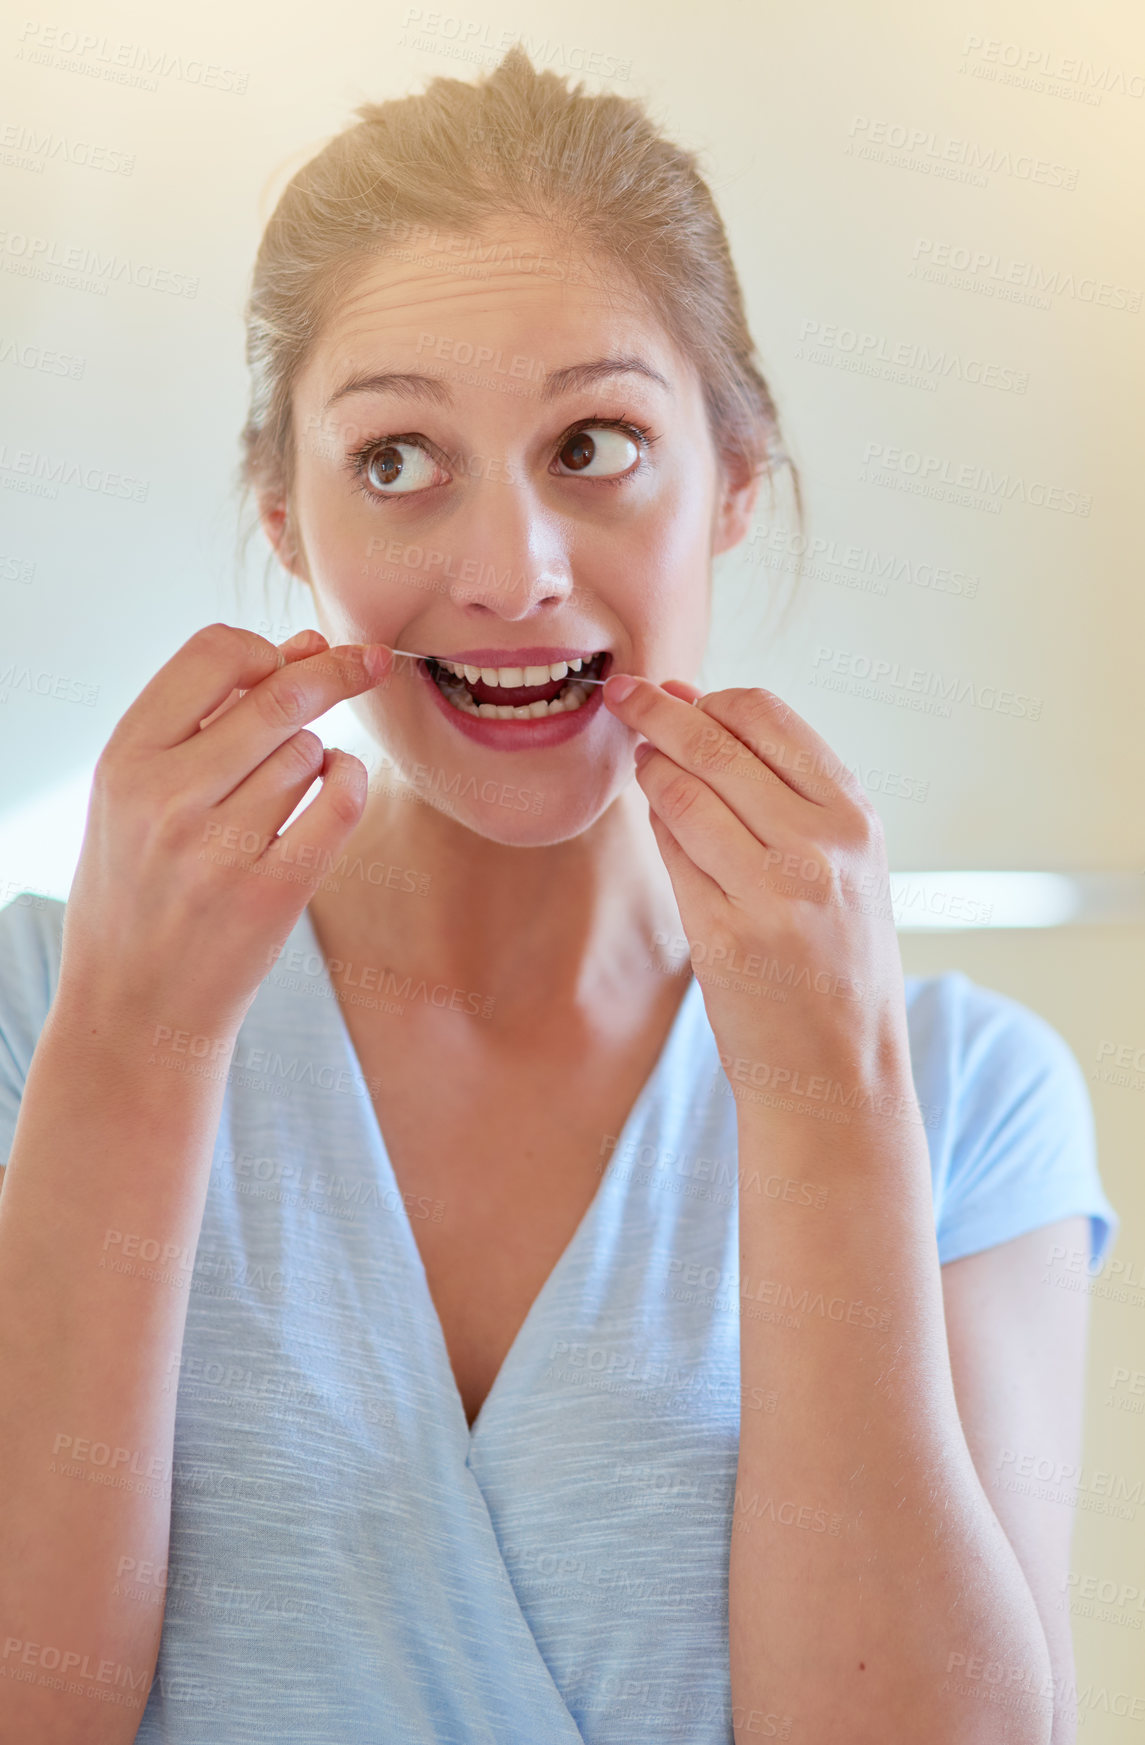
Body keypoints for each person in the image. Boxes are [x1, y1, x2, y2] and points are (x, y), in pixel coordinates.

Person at [0, 45, 1118, 1745]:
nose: (512, 571)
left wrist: (829, 1097)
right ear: (283, 514)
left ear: (733, 479)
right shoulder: (37, 1011)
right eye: (395, 460)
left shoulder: (966, 1099)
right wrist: (134, 1053)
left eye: (593, 441)